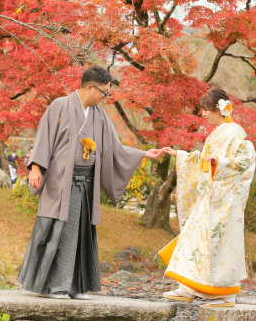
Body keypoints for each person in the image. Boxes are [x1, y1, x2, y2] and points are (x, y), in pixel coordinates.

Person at [18, 66, 163, 300]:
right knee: (58, 231)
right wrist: (36, 168)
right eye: (104, 92)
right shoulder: (60, 106)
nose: (106, 97)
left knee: (82, 235)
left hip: (86, 184)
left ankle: (75, 286)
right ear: (89, 87)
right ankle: (53, 286)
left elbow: (114, 148)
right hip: (60, 181)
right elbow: (43, 137)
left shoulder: (100, 116)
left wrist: (145, 154)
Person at [158, 88, 256, 308]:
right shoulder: (219, 131)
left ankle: (223, 295)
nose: (203, 114)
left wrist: (219, 162)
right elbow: (204, 159)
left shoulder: (234, 133)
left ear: (218, 109)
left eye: (205, 109)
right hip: (212, 196)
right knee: (196, 240)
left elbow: (244, 160)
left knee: (217, 244)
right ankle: (191, 288)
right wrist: (180, 155)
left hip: (224, 199)